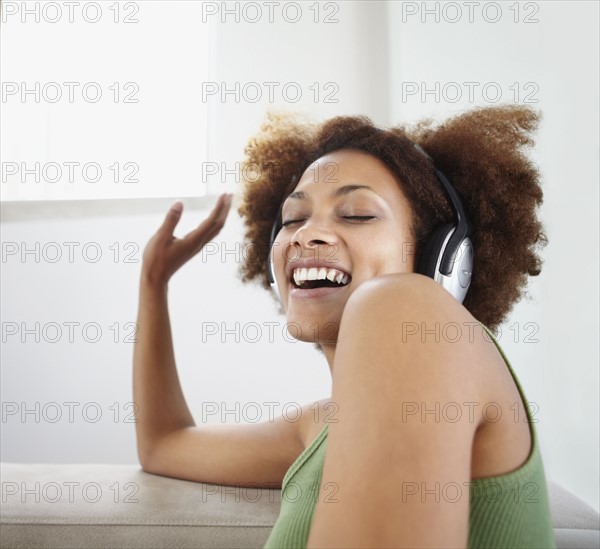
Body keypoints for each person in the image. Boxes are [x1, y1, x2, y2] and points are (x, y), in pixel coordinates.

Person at [133, 104, 556, 548]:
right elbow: (163, 445)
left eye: (356, 214)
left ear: (443, 260)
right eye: (294, 219)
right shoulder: (319, 427)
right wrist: (152, 282)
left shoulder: (408, 306)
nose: (304, 235)